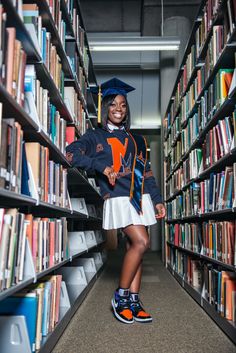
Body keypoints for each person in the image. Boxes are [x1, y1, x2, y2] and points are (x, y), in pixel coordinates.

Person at [66, 78, 165, 324]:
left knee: (139, 247)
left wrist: (157, 199)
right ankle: (121, 296)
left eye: (122, 104)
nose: (119, 109)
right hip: (118, 197)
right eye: (113, 105)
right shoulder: (94, 136)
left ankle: (134, 299)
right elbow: (71, 153)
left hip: (140, 197)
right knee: (141, 241)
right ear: (105, 108)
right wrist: (101, 166)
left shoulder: (138, 140)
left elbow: (148, 172)